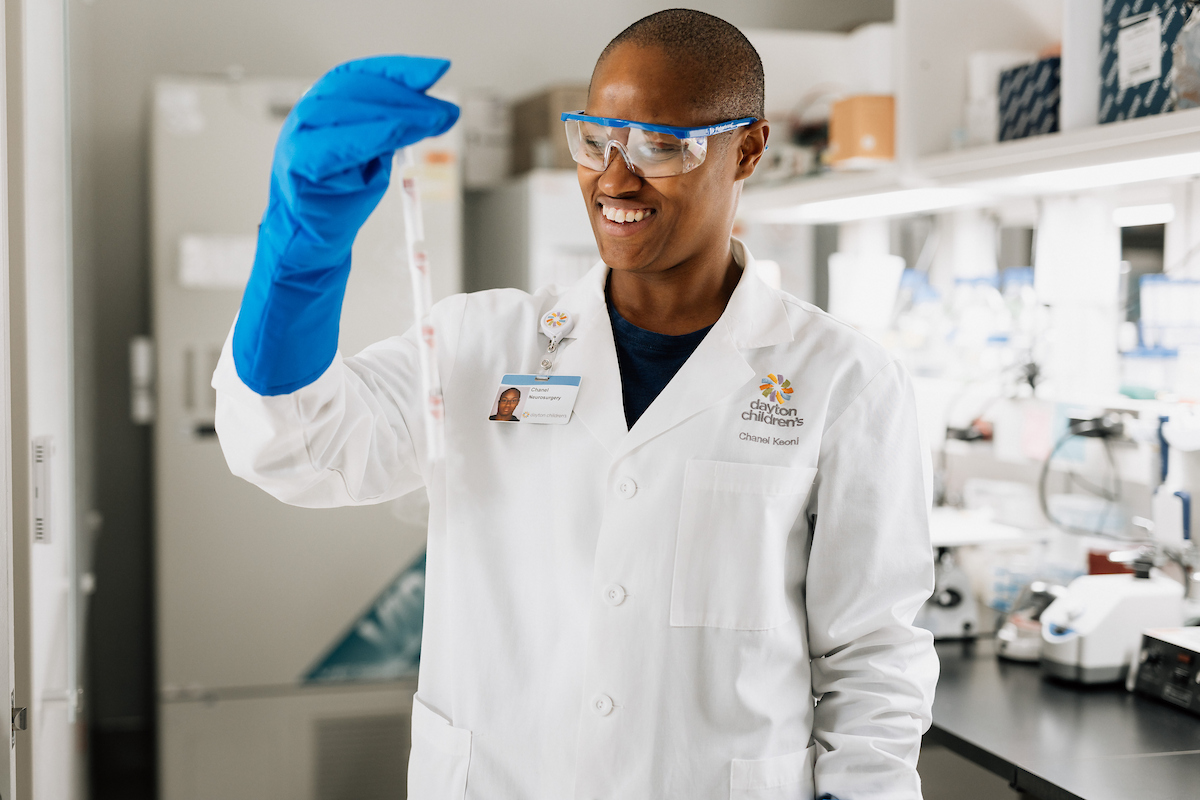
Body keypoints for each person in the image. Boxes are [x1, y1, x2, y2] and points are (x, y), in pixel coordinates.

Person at [214, 9, 938, 799]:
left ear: (749, 150)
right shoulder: (477, 344)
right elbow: (293, 447)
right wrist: (299, 248)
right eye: (596, 140)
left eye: (663, 145)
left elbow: (872, 655)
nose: (616, 178)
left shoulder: (845, 380)